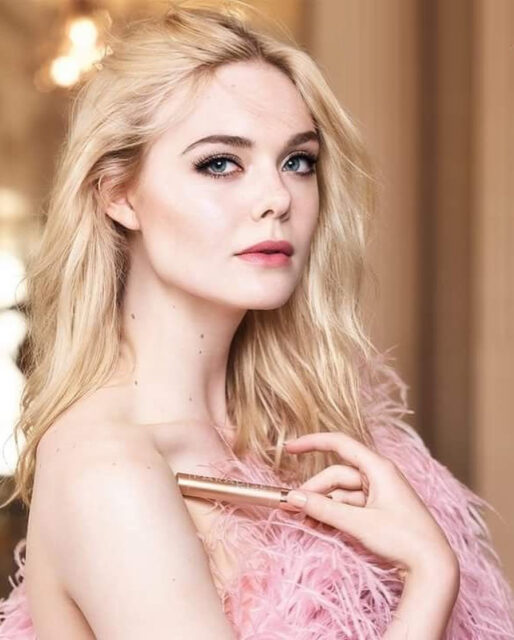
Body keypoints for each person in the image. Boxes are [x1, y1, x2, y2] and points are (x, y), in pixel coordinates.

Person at [0, 1, 513, 638]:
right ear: (119, 194)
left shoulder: (302, 428)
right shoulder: (107, 467)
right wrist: (431, 575)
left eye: (298, 162)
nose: (277, 199)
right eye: (220, 163)